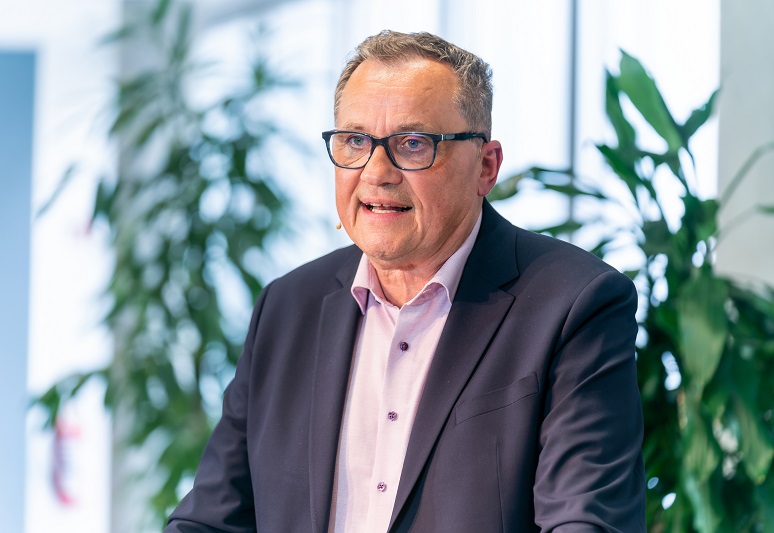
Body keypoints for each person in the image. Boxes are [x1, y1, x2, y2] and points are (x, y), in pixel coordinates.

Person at [165, 30, 645, 533]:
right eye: (355, 141)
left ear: (486, 167)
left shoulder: (575, 304)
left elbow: (585, 522)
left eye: (413, 144)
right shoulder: (286, 307)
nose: (376, 172)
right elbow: (210, 521)